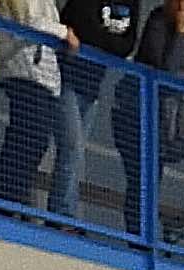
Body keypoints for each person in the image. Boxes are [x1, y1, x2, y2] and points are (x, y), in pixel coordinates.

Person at [55, 0, 141, 228]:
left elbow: (127, 45)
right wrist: (105, 42)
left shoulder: (132, 3)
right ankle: (63, 216)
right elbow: (83, 24)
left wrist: (99, 41)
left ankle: (64, 213)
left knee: (76, 151)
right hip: (65, 77)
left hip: (92, 86)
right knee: (72, 145)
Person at [0, 0, 76, 209]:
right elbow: (30, 21)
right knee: (28, 137)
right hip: (23, 70)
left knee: (33, 140)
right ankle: (5, 201)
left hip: (39, 76)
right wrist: (65, 33)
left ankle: (13, 200)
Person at [136, 0, 184, 239]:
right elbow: (166, 72)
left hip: (172, 123)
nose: (181, 6)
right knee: (142, 182)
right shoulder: (157, 22)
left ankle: (146, 238)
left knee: (153, 182)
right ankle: (141, 240)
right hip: (142, 117)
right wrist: (180, 33)